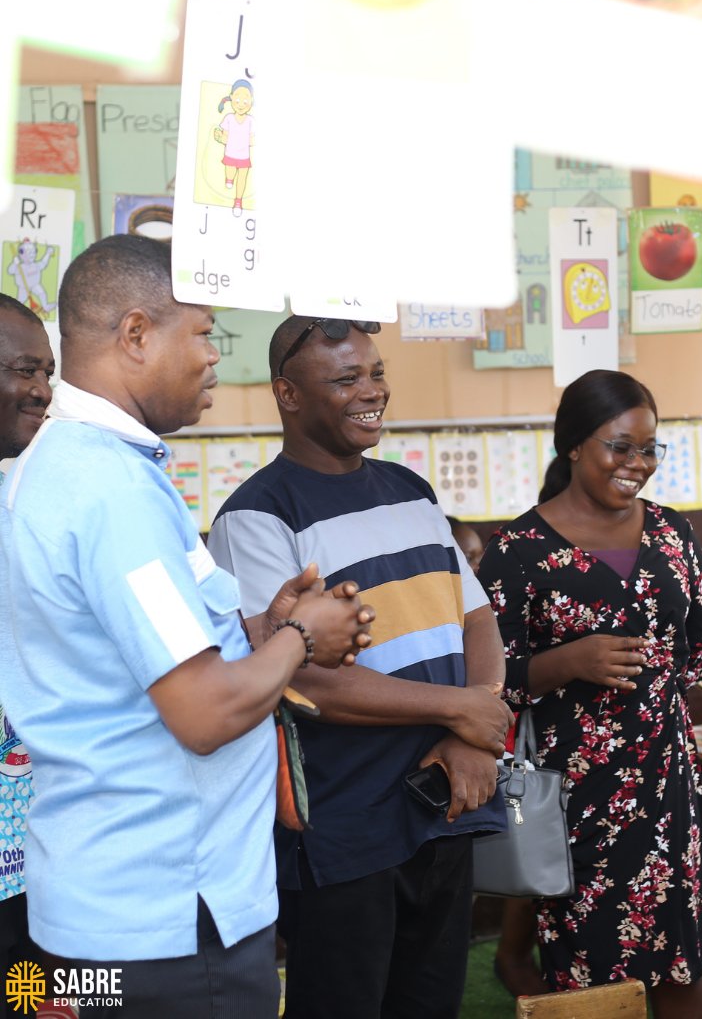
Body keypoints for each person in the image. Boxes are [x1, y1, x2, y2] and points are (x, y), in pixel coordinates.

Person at [0, 235, 371, 1018]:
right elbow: (202, 713)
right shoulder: (108, 489)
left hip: (99, 913)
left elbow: (143, 646)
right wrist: (301, 640)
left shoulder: (72, 465)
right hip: (164, 928)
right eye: (201, 332)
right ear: (136, 335)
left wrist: (267, 627)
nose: (213, 357)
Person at [207, 315, 514, 1019]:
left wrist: (474, 728)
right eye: (345, 378)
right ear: (287, 393)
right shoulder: (257, 516)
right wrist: (454, 710)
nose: (370, 391)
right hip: (346, 826)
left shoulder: (411, 489)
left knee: (431, 1004)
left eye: (375, 373)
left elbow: (477, 620)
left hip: (446, 800)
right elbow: (300, 676)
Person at [477, 368, 702, 1019]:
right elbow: (485, 683)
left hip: (666, 784)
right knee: (590, 963)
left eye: (649, 449)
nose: (637, 464)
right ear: (574, 445)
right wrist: (566, 663)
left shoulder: (672, 534)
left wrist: (648, 706)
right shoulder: (519, 552)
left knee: (679, 955)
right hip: (576, 795)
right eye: (620, 446)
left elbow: (701, 650)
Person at [0, 294, 53, 1016]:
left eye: (47, 371)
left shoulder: (24, 498)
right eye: (23, 369)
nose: (41, 390)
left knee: (33, 999)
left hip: (30, 847)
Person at [213, 78, 254, 213]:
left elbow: (253, 138)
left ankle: (238, 202)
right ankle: (229, 178)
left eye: (245, 101)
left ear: (251, 101)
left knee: (242, 178)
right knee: (230, 172)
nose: (241, 104)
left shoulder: (251, 120)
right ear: (231, 98)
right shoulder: (229, 118)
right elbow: (225, 135)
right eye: (237, 100)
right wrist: (220, 138)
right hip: (230, 153)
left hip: (244, 156)